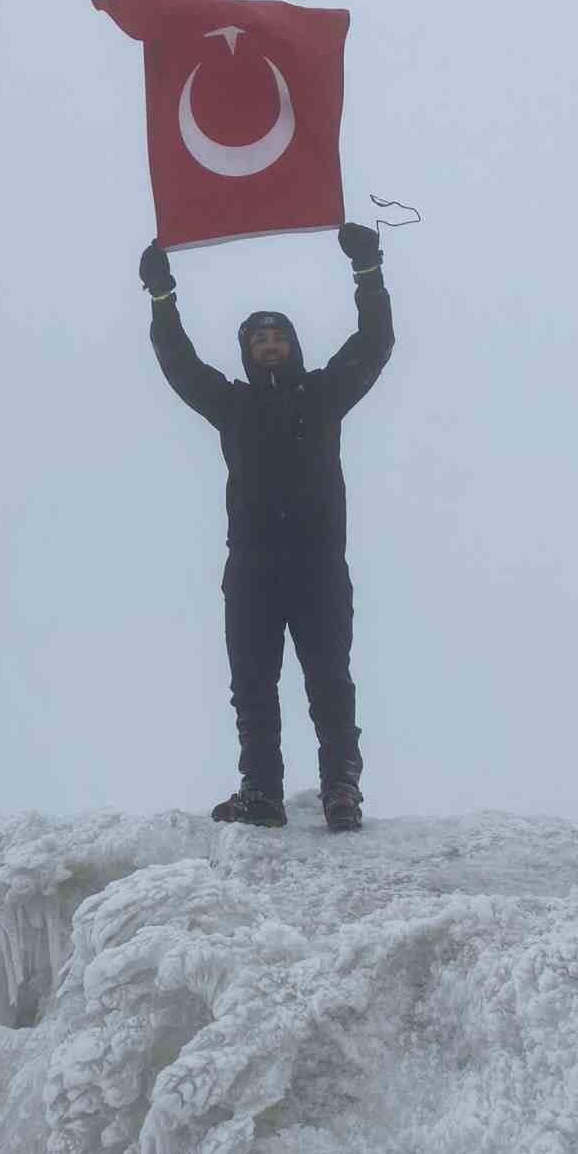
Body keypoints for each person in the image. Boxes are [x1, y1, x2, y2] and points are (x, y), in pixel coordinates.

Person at [139, 225, 394, 832]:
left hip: (318, 565)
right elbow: (179, 364)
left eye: (279, 335)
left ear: (294, 347)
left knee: (329, 679)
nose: (270, 343)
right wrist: (161, 299)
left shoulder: (323, 394)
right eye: (258, 337)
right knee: (252, 686)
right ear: (247, 351)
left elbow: (374, 344)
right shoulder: (233, 405)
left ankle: (341, 790)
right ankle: (262, 793)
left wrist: (368, 273)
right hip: (252, 567)